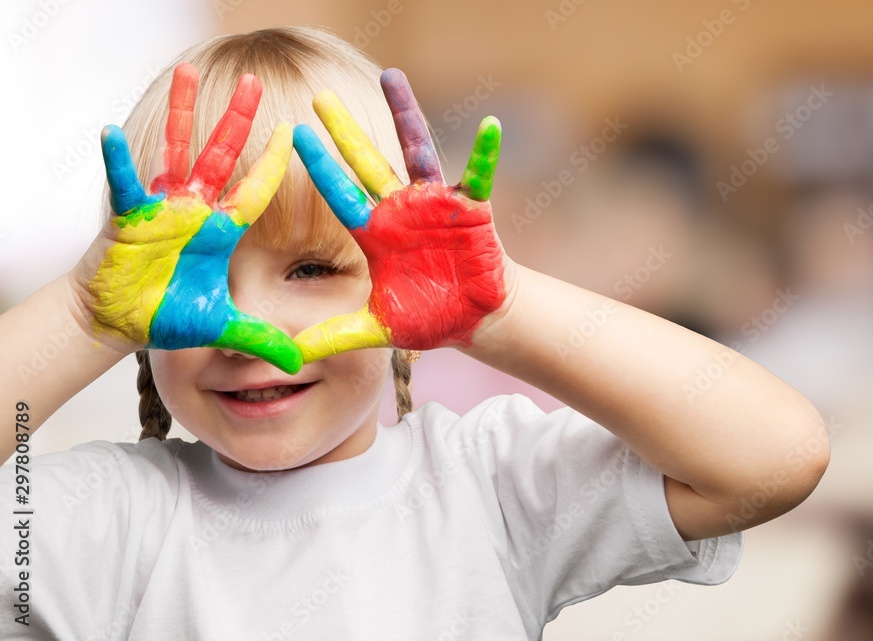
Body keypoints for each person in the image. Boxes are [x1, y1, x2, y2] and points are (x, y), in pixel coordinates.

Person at [0, 26, 829, 640]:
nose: (248, 330)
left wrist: (502, 312)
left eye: (314, 270)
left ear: (404, 291)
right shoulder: (108, 517)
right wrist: (82, 316)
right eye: (194, 278)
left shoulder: (487, 485)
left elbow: (776, 456)